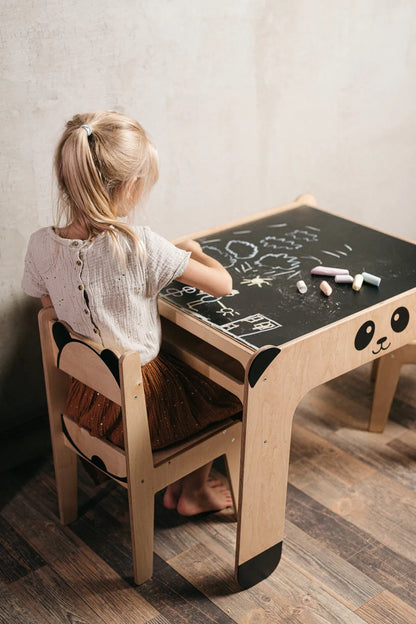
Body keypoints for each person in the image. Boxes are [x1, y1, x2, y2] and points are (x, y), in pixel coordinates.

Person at [22, 110, 241, 516]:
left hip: (85, 400)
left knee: (181, 374)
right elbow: (223, 285)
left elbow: (51, 312)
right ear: (131, 187)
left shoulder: (39, 246)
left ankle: (179, 485)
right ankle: (192, 490)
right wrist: (196, 252)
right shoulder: (140, 245)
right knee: (228, 391)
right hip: (140, 410)